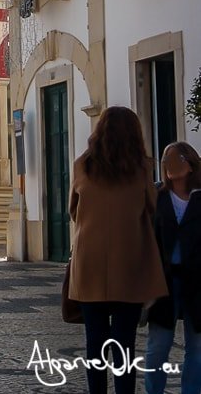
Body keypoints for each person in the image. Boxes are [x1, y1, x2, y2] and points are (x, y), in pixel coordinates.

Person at [68, 105, 167, 394]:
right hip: (129, 264)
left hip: (89, 265)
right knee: (124, 343)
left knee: (95, 344)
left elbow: (73, 210)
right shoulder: (141, 168)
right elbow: (150, 209)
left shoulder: (82, 165)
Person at [144, 141, 201, 394]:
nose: (169, 164)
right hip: (163, 281)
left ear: (190, 164)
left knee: (197, 349)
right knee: (157, 348)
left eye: (175, 158)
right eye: (165, 159)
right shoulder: (158, 197)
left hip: (198, 282)